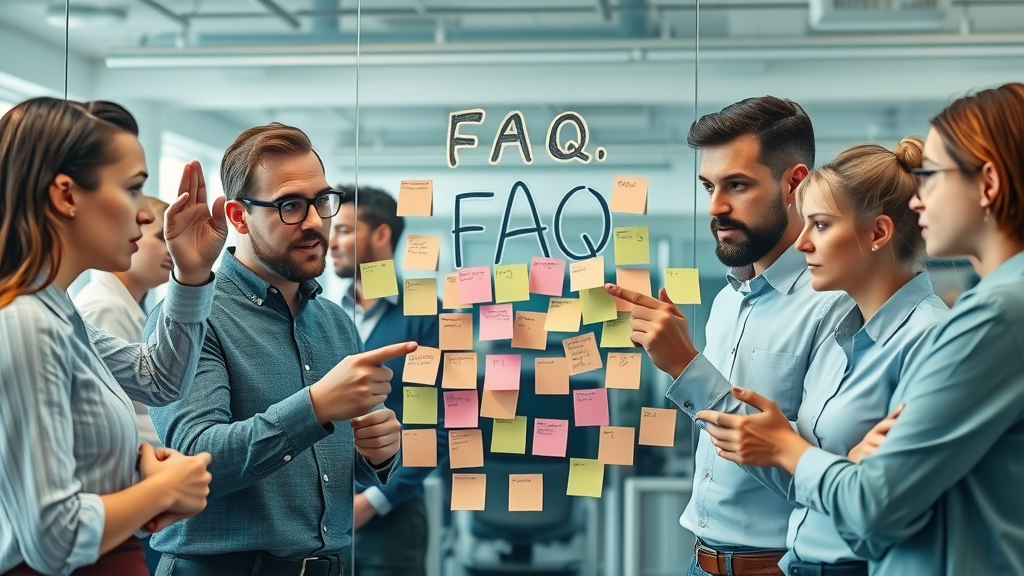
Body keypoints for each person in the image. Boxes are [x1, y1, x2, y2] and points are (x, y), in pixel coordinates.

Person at [697, 83, 1024, 575]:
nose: (918, 201)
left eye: (932, 176)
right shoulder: (853, 332)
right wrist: (845, 470)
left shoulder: (985, 319)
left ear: (989, 184)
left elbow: (876, 508)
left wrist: (797, 453)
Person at [668, 137, 948, 576]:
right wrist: (814, 456)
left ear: (877, 234)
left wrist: (795, 452)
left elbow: (885, 502)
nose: (801, 244)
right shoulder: (850, 335)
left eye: (819, 225)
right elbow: (827, 461)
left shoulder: (928, 337)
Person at [148, 123, 412, 576]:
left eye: (322, 201)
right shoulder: (191, 318)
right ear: (237, 217)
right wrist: (317, 405)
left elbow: (320, 469)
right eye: (290, 205)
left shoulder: (335, 323)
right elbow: (195, 460)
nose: (314, 221)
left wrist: (377, 454)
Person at [604, 96, 853, 576]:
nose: (715, 207)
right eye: (708, 186)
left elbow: (818, 479)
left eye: (737, 185)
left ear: (794, 184)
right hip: (702, 560)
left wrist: (684, 367)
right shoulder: (727, 301)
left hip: (778, 567)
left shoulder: (835, 305)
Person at [0, 98, 224, 576]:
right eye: (133, 189)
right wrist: (164, 489)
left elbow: (159, 380)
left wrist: (192, 273)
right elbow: (54, 539)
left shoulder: (56, 311)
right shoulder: (27, 321)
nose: (147, 217)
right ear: (66, 196)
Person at [329, 186, 444, 576]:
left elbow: (442, 428)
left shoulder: (426, 316)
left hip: (390, 515)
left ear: (381, 235)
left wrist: (373, 501)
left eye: (344, 230)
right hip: (320, 513)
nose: (331, 242)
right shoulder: (322, 317)